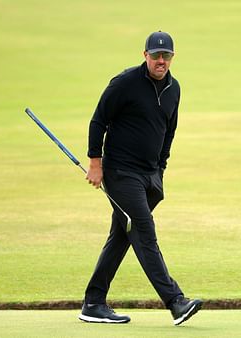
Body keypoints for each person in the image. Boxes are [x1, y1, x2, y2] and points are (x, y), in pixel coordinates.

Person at [78, 31, 203, 326]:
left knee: (123, 235)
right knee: (144, 229)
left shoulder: (174, 88)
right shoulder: (125, 83)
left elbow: (168, 130)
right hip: (121, 172)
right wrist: (95, 164)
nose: (161, 61)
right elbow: (98, 120)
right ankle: (176, 302)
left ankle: (93, 302)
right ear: (145, 55)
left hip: (150, 175)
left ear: (172, 57)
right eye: (156, 55)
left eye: (166, 56)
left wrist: (160, 169)